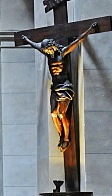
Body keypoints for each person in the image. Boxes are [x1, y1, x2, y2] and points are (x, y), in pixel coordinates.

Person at [21, 22, 97, 151]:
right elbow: (36, 46)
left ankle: (66, 137)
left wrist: (90, 29)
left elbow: (78, 41)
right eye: (46, 50)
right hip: (55, 87)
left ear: (53, 46)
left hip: (65, 87)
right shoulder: (48, 54)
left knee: (61, 114)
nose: (47, 51)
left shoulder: (63, 52)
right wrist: (26, 39)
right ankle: (61, 135)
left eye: (48, 49)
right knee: (53, 113)